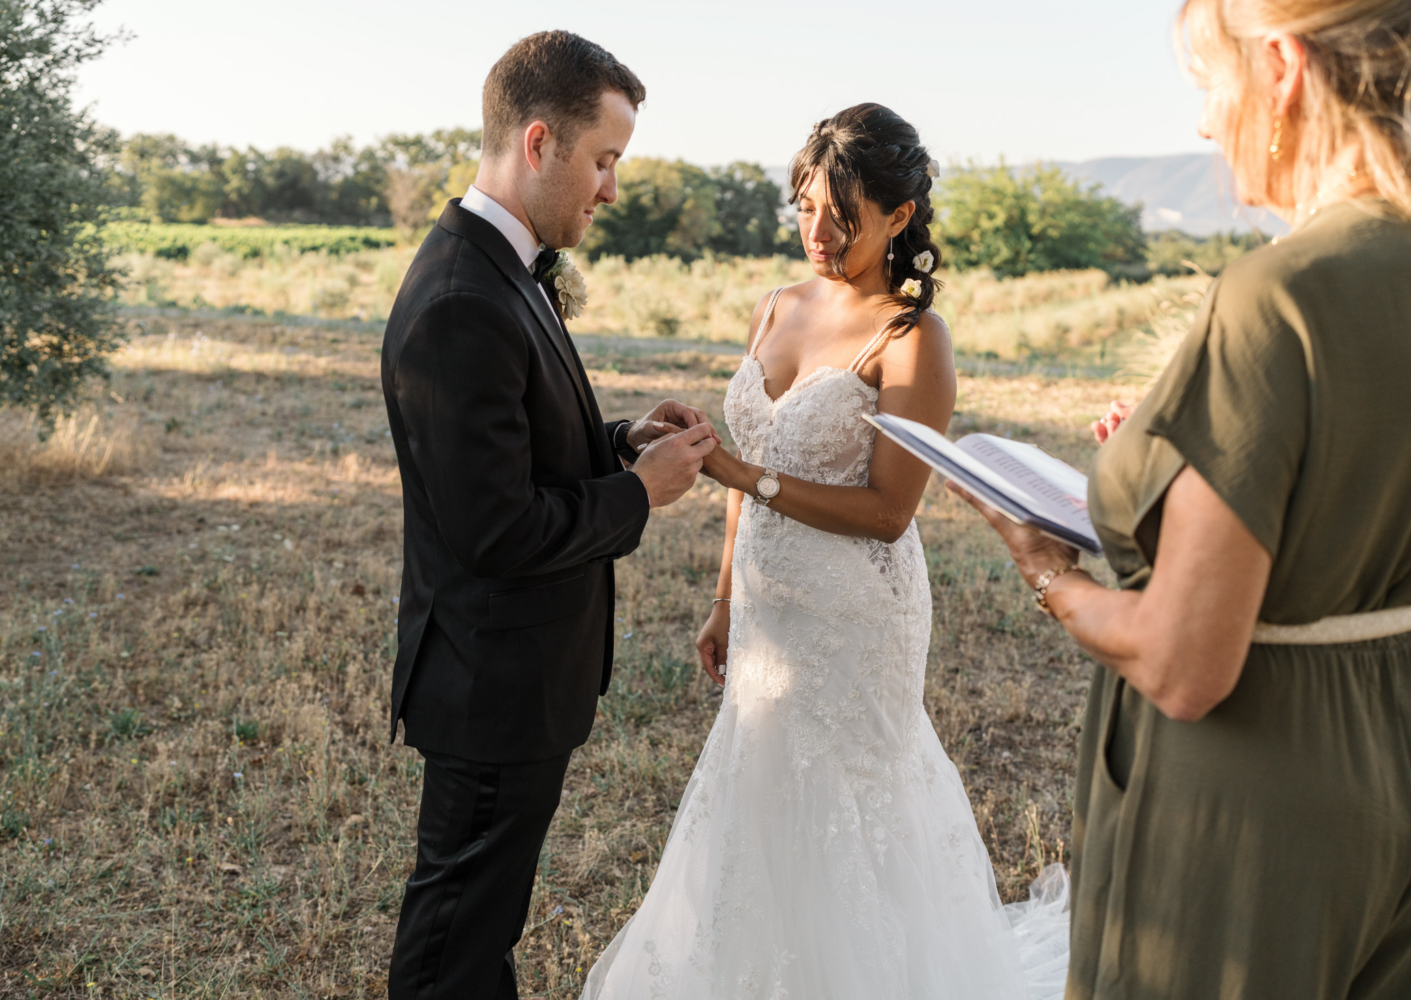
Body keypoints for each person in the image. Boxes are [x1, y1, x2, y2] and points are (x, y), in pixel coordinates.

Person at [951, 1, 1411, 996]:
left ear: (1283, 69)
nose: (1205, 123)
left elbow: (1183, 661)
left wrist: (1048, 574)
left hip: (1250, 809)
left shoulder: (1278, 297)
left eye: (1209, 84)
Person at [582, 103, 1069, 1000]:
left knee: (849, 801)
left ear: (899, 217)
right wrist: (726, 598)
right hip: (770, 608)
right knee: (759, 786)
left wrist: (738, 471)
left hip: (857, 613)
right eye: (805, 206)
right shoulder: (779, 304)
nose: (818, 233)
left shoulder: (911, 337)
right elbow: (751, 460)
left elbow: (888, 510)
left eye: (842, 218)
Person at [379, 31, 719, 1000]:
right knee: (452, 946)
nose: (610, 188)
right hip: (491, 685)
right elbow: (494, 529)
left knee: (480, 931)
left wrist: (617, 439)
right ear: (539, 143)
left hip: (516, 679)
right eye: (603, 159)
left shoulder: (503, 268)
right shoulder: (459, 298)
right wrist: (639, 492)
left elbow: (508, 448)